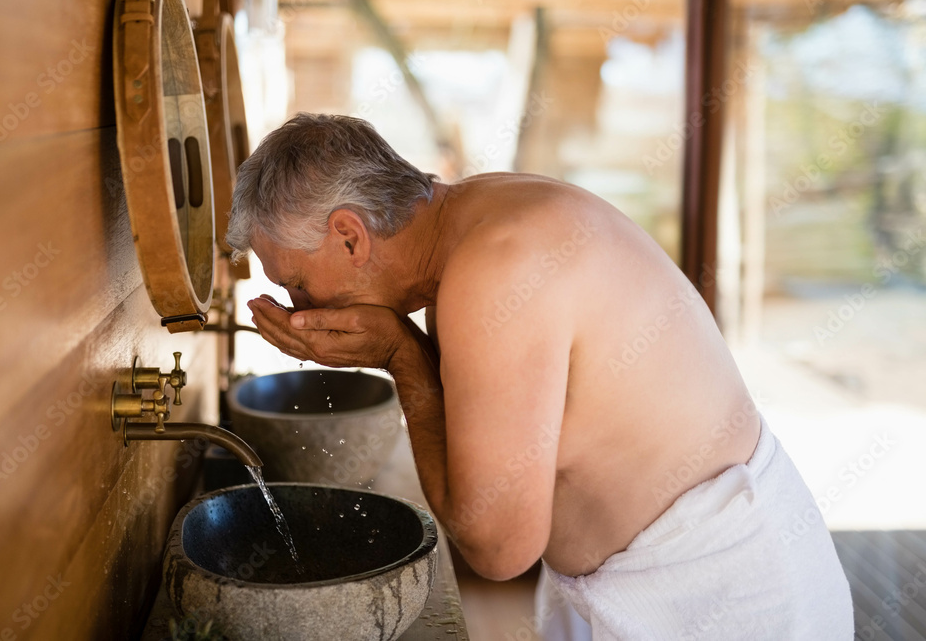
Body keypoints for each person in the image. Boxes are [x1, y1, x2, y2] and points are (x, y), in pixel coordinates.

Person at [226, 113, 854, 639]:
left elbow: (498, 549)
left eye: (296, 284)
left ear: (348, 235)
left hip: (726, 598)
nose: (299, 310)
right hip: (657, 577)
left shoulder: (496, 266)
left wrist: (402, 359)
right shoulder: (468, 217)